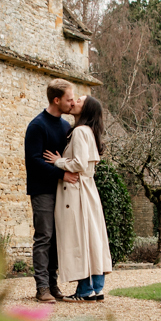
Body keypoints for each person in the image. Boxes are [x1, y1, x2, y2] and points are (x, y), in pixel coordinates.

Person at [44, 95, 113, 301]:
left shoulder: (81, 131)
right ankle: (95, 288)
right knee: (91, 236)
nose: (73, 102)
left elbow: (80, 164)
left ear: (86, 110)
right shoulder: (87, 132)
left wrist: (58, 161)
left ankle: (85, 290)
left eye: (79, 101)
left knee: (81, 238)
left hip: (77, 191)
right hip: (86, 189)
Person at [24, 80, 79, 304]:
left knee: (57, 239)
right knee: (44, 237)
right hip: (42, 190)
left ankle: (54, 285)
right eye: (69, 99)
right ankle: (42, 287)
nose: (72, 102)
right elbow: (34, 162)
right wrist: (61, 174)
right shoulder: (37, 126)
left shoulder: (66, 127)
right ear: (56, 100)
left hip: (62, 191)